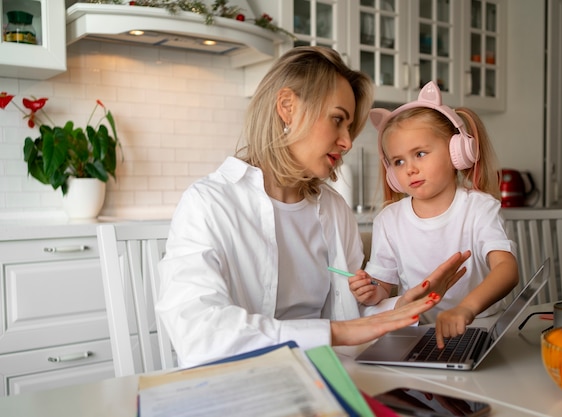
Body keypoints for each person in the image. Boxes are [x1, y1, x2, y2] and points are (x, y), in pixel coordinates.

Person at [156, 47, 471, 368]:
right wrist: (336, 332)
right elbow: (198, 331)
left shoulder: (333, 209)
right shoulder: (209, 203)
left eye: (349, 127)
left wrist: (402, 306)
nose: (347, 141)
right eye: (337, 120)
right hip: (243, 383)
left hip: (326, 375)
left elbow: (350, 315)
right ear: (287, 108)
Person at [348, 81, 519, 348]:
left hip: (478, 327)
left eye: (420, 153)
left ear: (457, 153)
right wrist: (370, 293)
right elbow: (382, 286)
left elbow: (507, 270)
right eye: (398, 161)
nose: (410, 169)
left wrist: (466, 309)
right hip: (418, 333)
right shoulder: (389, 220)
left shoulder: (478, 208)